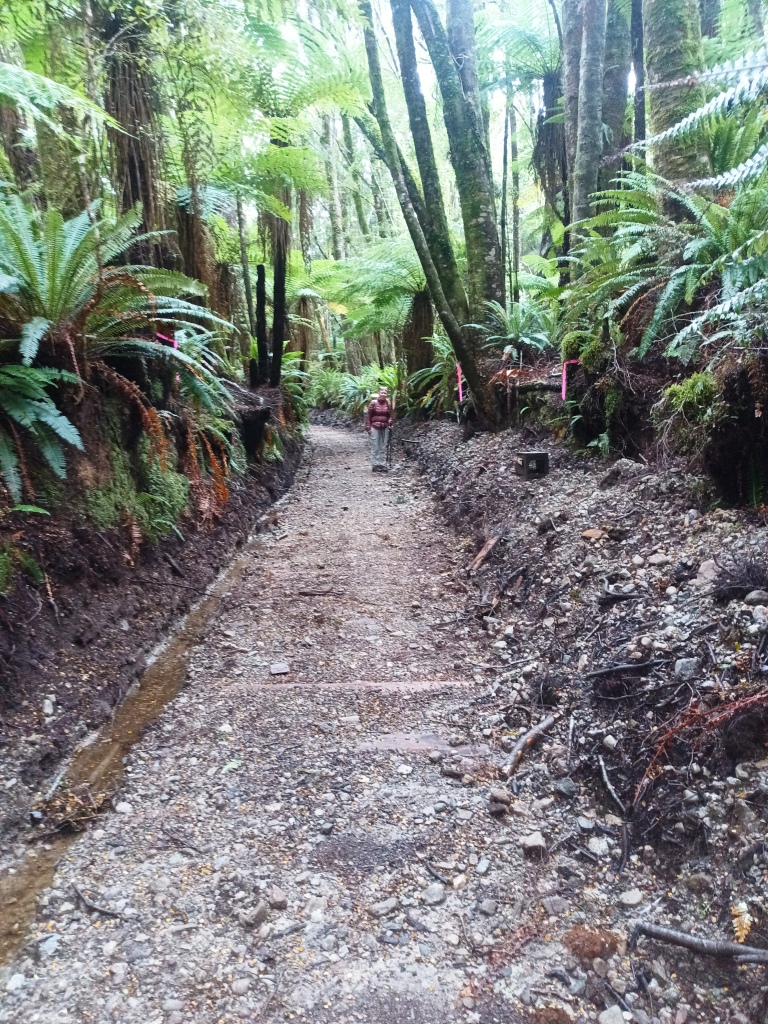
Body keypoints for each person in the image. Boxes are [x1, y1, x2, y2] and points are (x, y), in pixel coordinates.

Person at [365, 386, 394, 473]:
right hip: (374, 427)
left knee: (383, 446)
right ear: (379, 393)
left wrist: (390, 422)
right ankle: (375, 464)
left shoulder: (388, 403)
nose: (383, 394)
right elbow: (368, 416)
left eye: (385, 393)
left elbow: (390, 416)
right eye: (382, 392)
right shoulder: (373, 403)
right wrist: (368, 427)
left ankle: (382, 464)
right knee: (375, 446)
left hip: (384, 427)